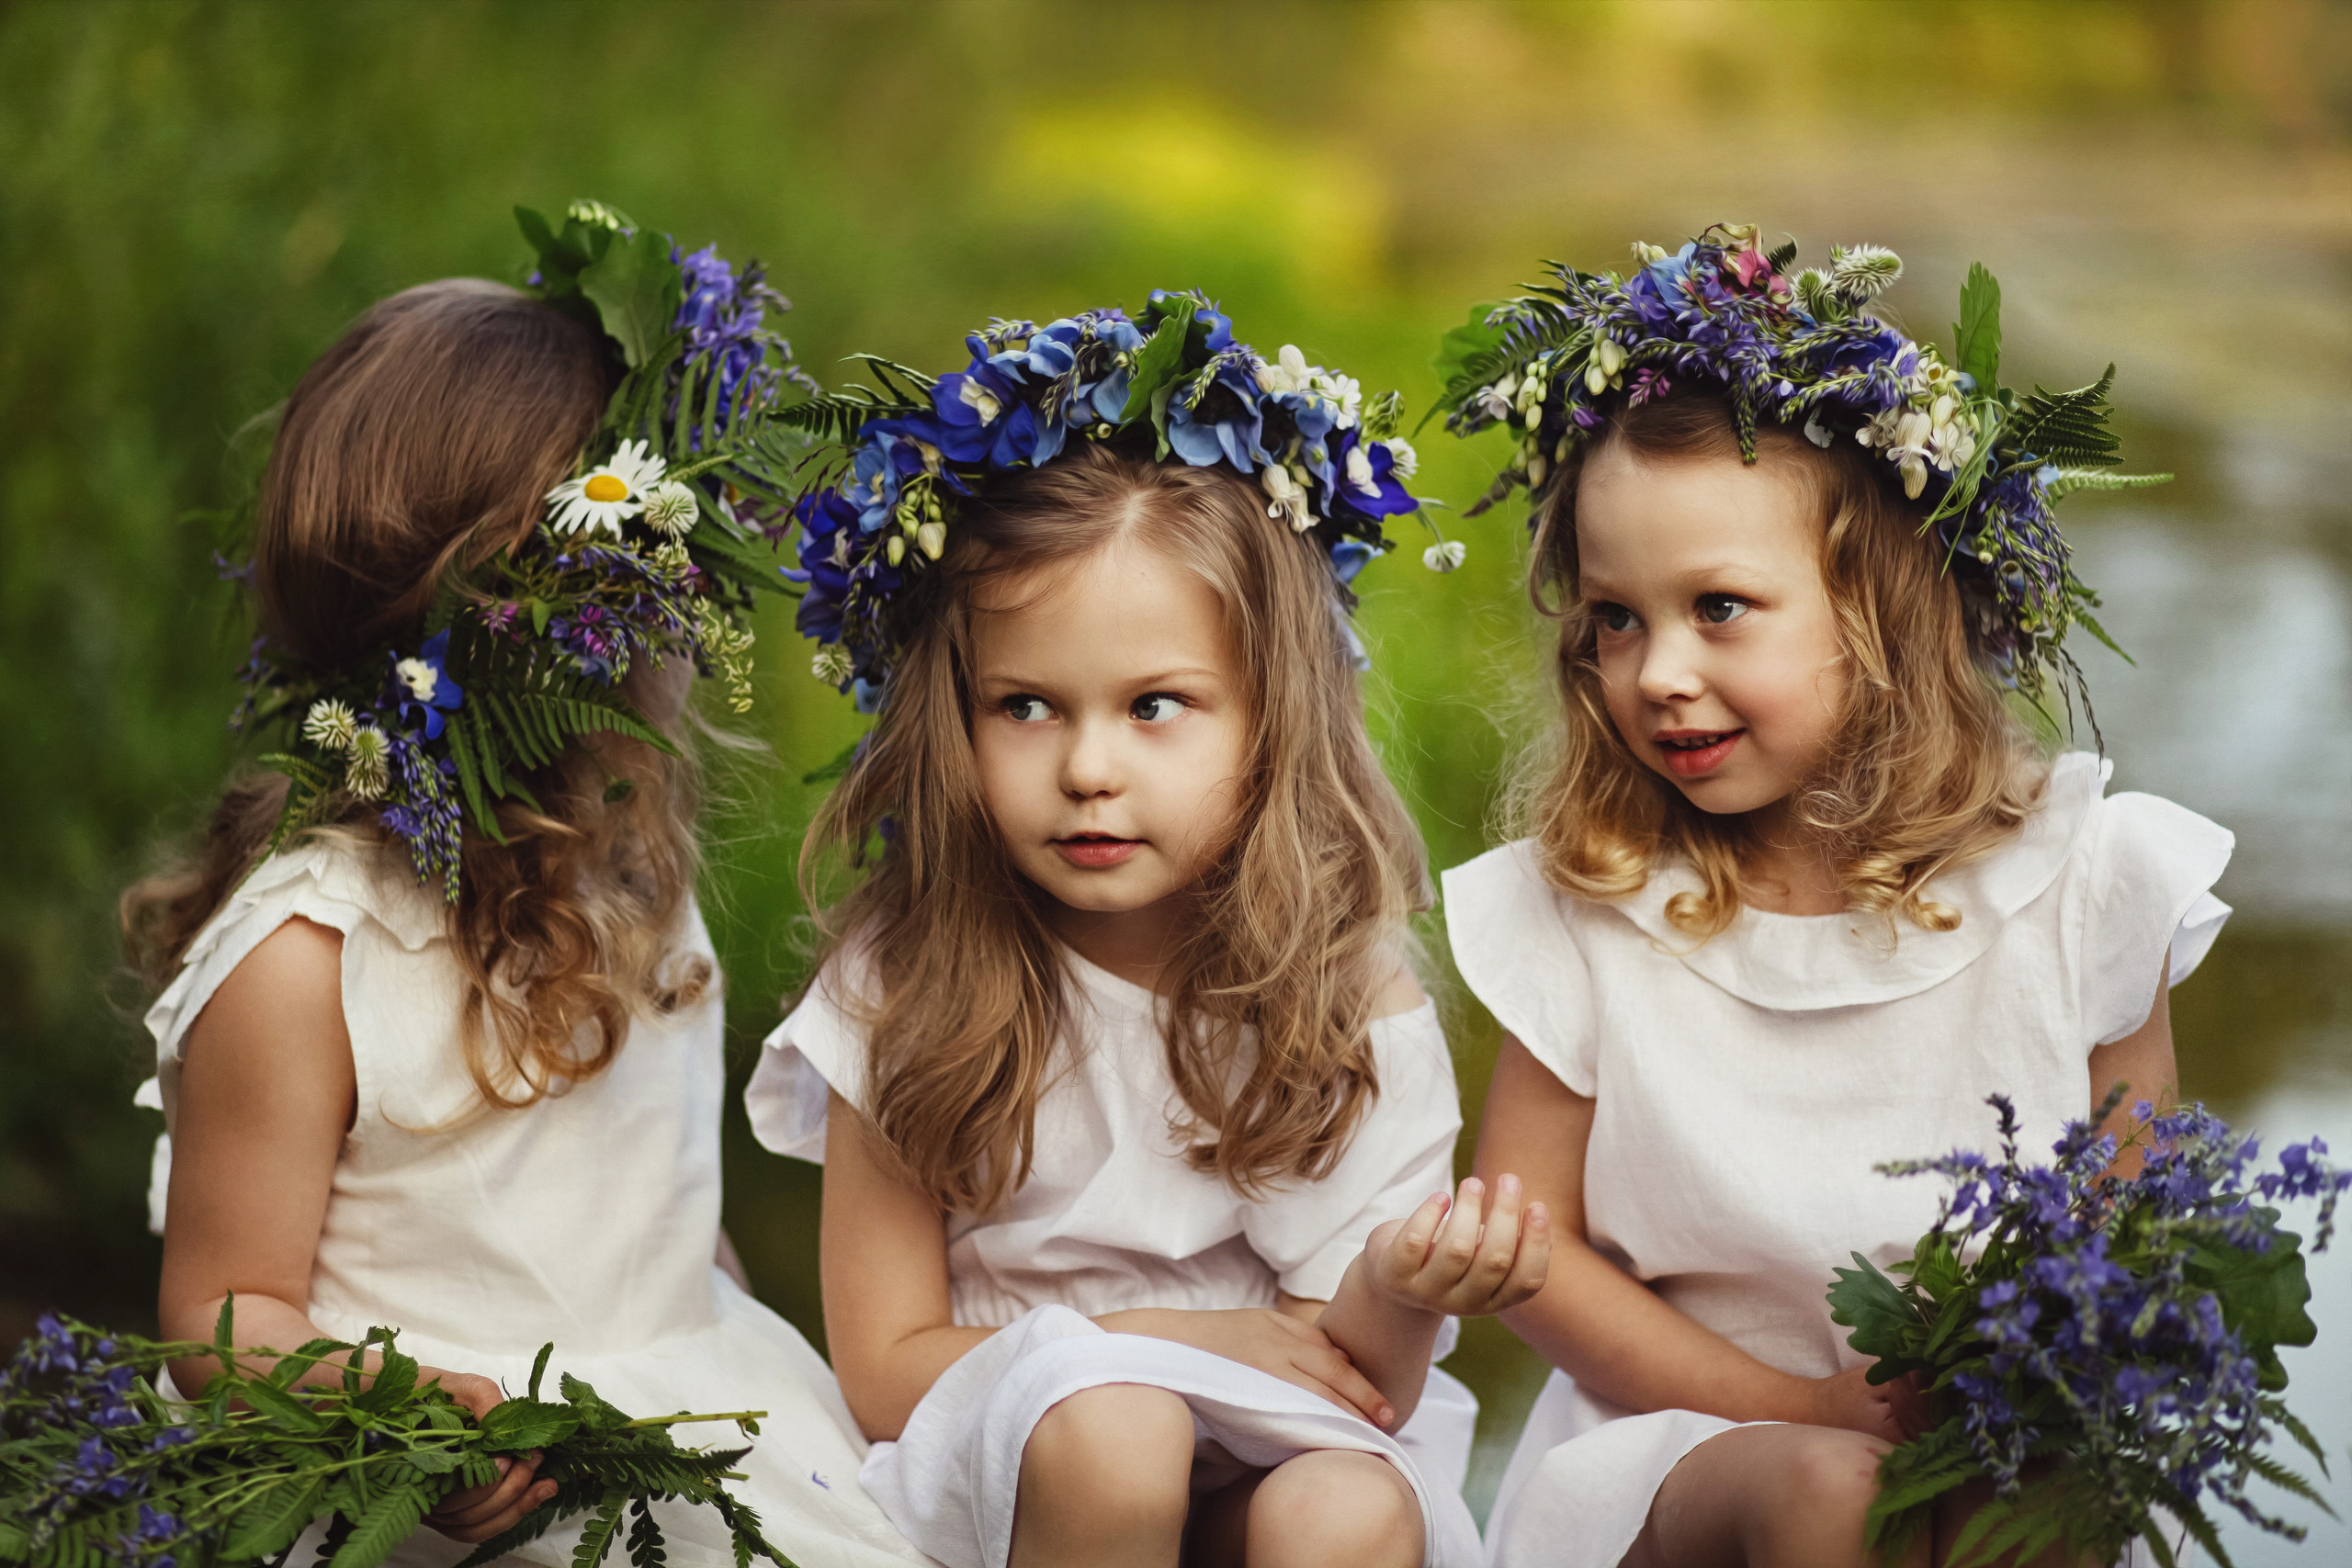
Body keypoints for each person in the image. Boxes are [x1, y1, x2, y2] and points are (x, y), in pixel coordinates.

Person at [124, 202, 925, 1568]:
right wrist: (400, 1416)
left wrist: (745, 1372)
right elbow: (221, 1311)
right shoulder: (308, 956)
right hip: (444, 1475)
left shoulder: (630, 877)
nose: (690, 625)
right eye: (669, 579)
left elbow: (655, 1219)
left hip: (680, 1390)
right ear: (562, 634)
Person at [1430, 227, 2228, 1568]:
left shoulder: (2087, 887)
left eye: (1719, 608)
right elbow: (1530, 1248)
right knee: (1831, 1498)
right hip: (1677, 1449)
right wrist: (1800, 1406)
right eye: (1615, 619)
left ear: (1884, 613)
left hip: (1983, 1440)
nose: (1656, 673)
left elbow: (2131, 1232)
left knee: (2035, 1513)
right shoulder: (1593, 904)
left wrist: (2027, 1389)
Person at [746, 294, 1544, 1568]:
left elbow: (1354, 1382)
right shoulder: (909, 983)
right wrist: (1152, 1346)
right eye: (1025, 707)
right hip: (1020, 1459)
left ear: (1272, 718)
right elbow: (888, 1370)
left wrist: (1399, 1289)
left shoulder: (1345, 995)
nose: (1088, 770)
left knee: (1344, 1511)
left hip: (1275, 1437)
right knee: (1119, 1430)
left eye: (1155, 706)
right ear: (953, 715)